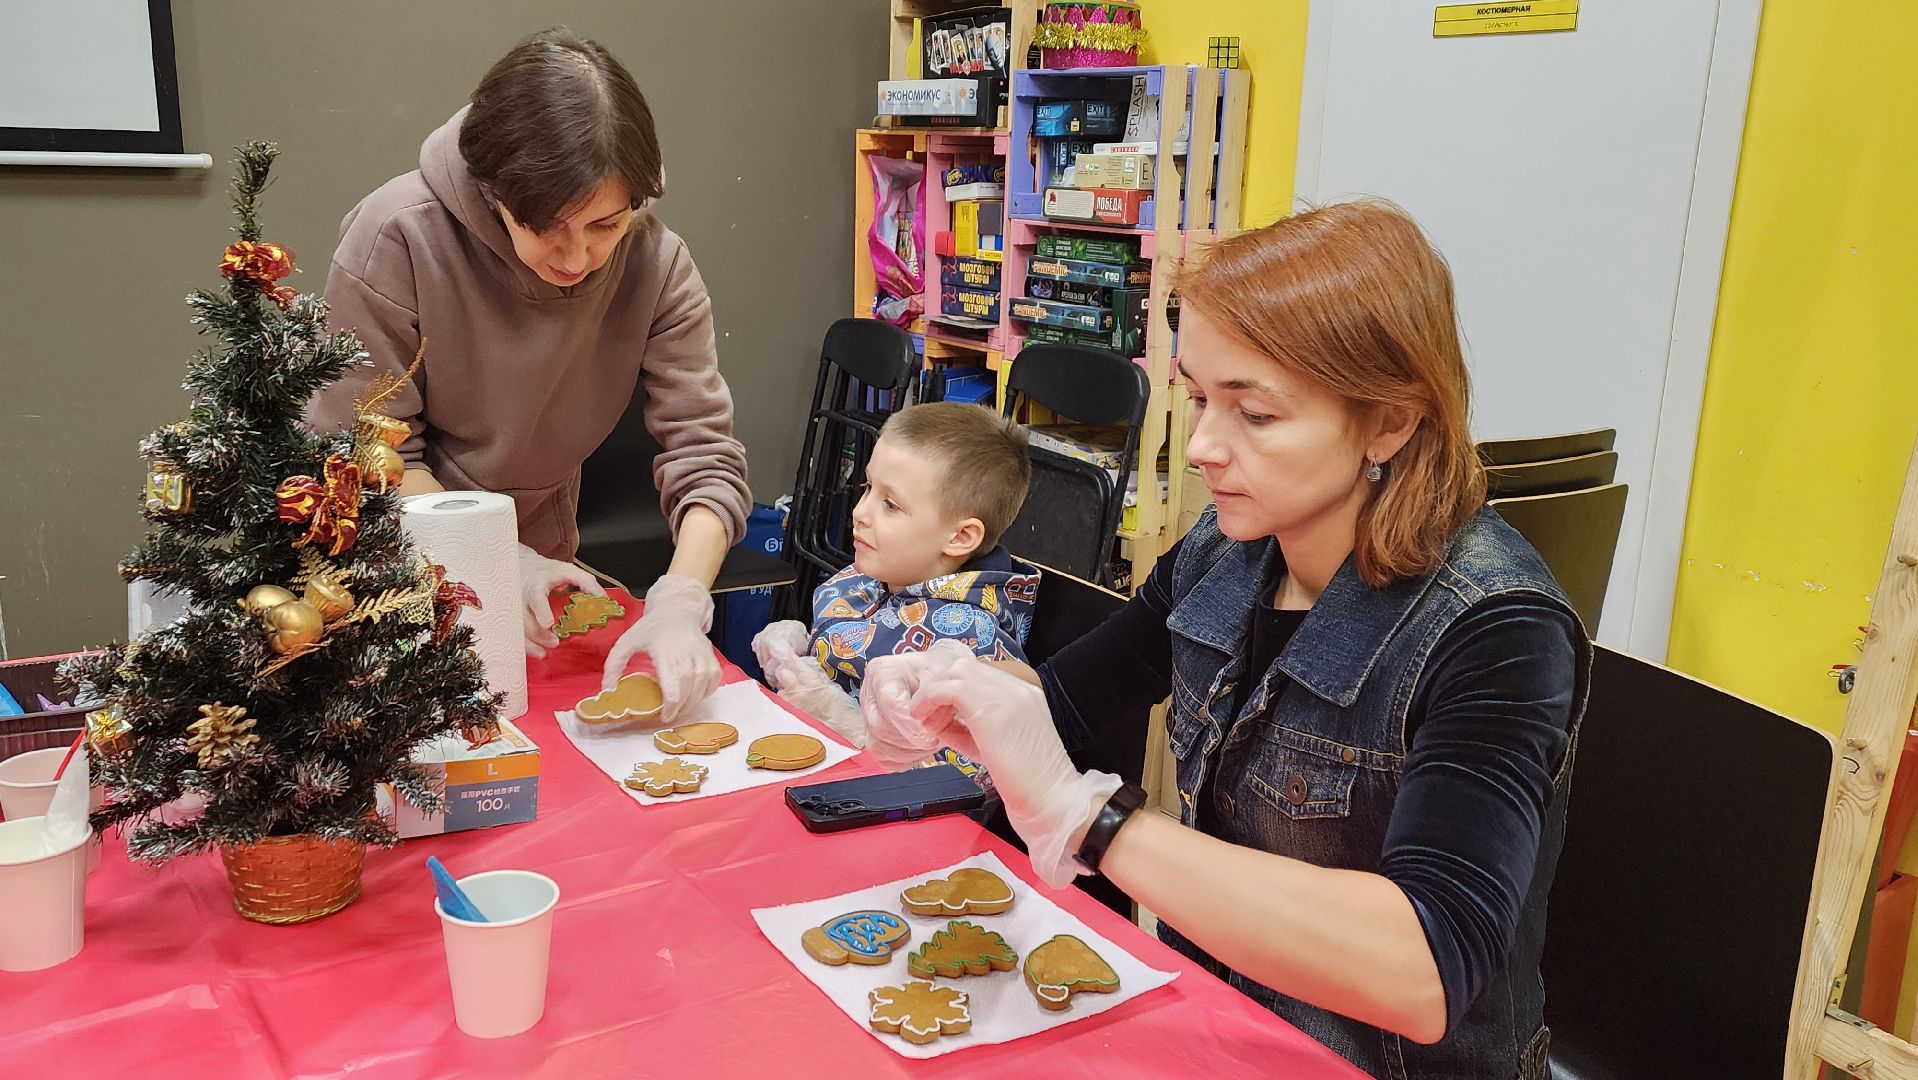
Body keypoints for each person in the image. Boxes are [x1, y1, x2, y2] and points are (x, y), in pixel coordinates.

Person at [859, 202, 1590, 1078]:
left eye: (1257, 415)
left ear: (1391, 423)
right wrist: (956, 693)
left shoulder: (1493, 629)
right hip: (1224, 1030)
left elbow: (1428, 965)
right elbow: (1062, 702)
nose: (1202, 445)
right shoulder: (1227, 553)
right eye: (1200, 397)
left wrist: (1092, 817)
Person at [308, 29, 749, 724]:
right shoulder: (397, 236)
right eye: (548, 228)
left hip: (541, 563)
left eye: (606, 224)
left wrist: (681, 600)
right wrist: (492, 557)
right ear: (492, 193)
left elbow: (703, 456)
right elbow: (374, 459)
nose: (578, 258)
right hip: (393, 566)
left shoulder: (657, 265)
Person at [753, 402, 1039, 749]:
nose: (859, 512)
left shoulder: (971, 645)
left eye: (891, 505)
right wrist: (799, 649)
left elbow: (968, 781)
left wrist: (844, 722)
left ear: (960, 537)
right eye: (867, 486)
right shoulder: (871, 575)